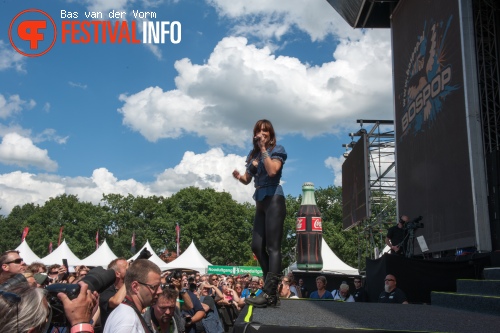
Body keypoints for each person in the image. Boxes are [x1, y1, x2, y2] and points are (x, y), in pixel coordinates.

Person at [232, 119, 287, 308]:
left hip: (274, 199)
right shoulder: (253, 153)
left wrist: (264, 150)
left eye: (265, 131)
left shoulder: (276, 150)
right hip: (260, 201)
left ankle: (270, 292)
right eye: (259, 131)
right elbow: (248, 179)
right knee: (257, 246)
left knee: (273, 248)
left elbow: (272, 171)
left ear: (270, 135)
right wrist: (239, 177)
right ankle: (269, 289)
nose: (261, 133)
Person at [104, 259, 163, 333]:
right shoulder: (128, 320)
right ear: (135, 287)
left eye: (160, 286)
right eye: (154, 287)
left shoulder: (127, 313)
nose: (160, 291)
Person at [99, 257, 129, 329]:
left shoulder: (131, 289)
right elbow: (115, 302)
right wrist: (129, 279)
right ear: (117, 274)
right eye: (126, 267)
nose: (130, 269)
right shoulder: (105, 290)